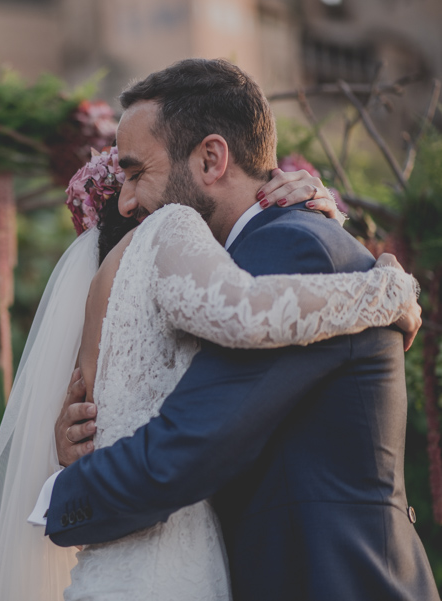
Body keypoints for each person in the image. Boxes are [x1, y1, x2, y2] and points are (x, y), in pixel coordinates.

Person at [43, 59, 438, 601]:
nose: (126, 201)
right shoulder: (254, 254)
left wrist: (58, 498)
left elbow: (191, 444)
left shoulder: (291, 246)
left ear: (211, 158)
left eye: (136, 174)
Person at [0, 154, 421, 600]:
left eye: (139, 172)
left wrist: (64, 479)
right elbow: (246, 313)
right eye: (127, 176)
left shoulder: (114, 295)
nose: (129, 197)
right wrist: (388, 290)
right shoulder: (169, 233)